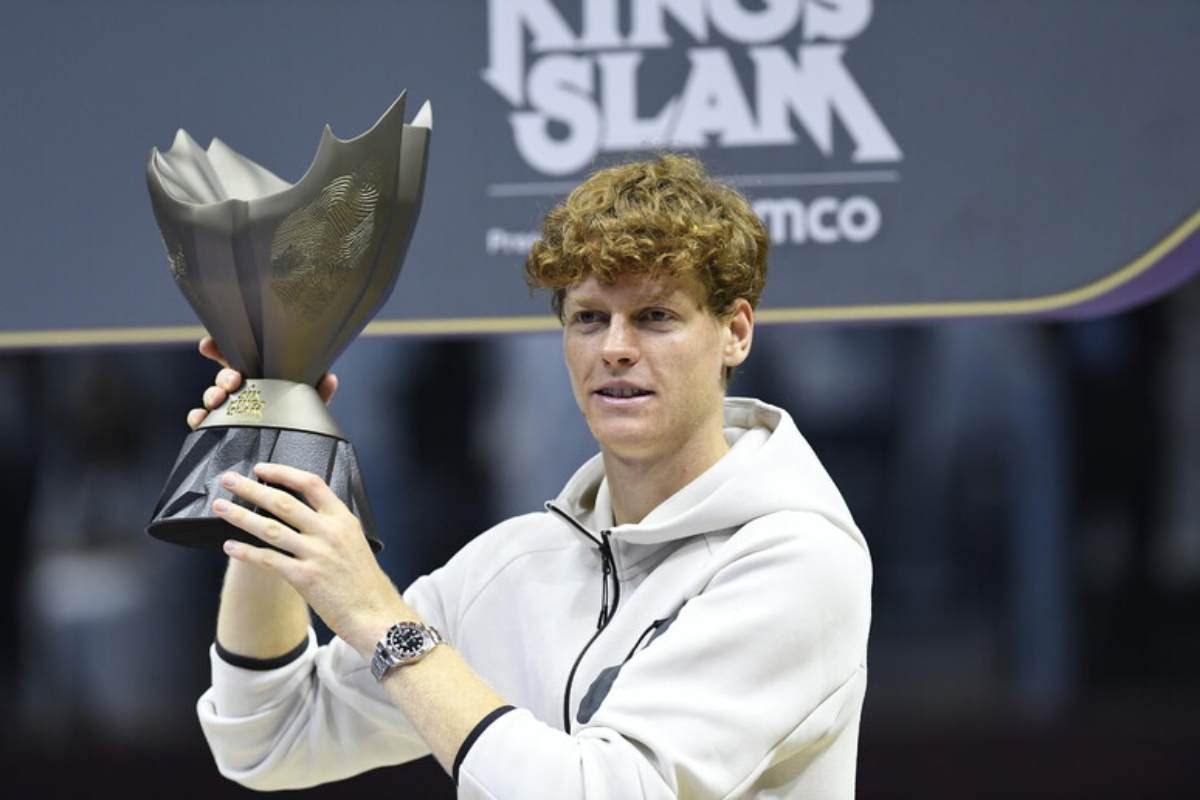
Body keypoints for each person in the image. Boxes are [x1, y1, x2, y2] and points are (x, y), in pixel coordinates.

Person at [192, 154, 873, 798]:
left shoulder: (796, 559)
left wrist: (378, 615)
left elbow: (602, 791)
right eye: (589, 319)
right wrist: (274, 460)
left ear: (735, 332)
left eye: (655, 317)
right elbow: (269, 738)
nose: (615, 348)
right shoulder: (513, 565)